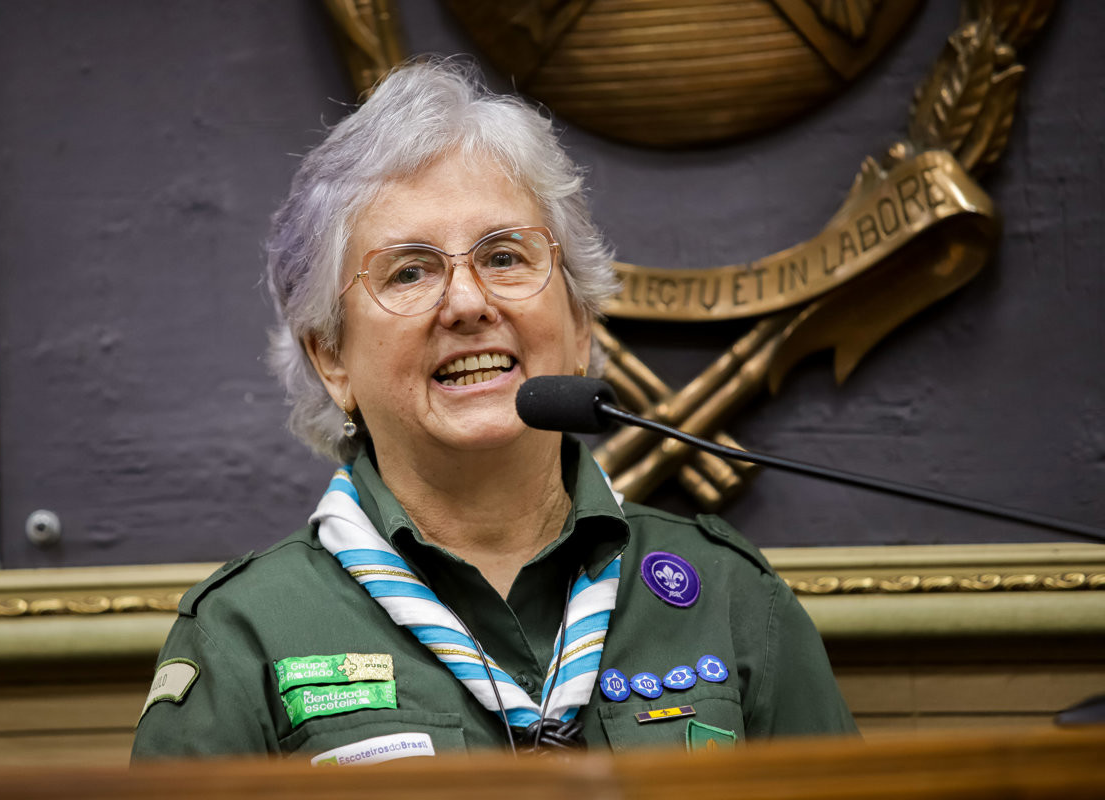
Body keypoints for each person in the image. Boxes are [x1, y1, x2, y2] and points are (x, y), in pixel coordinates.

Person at [132, 59, 856, 762]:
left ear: (579, 324)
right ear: (332, 358)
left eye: (505, 257)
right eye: (409, 272)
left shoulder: (730, 596)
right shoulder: (245, 636)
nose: (468, 303)